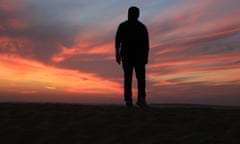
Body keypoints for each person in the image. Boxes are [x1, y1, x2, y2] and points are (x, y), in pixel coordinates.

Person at [115, 6, 149, 107]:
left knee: (140, 78)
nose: (134, 15)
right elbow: (117, 41)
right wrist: (117, 53)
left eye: (136, 13)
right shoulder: (123, 26)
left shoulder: (141, 27)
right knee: (129, 78)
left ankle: (140, 99)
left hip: (138, 57)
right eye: (133, 13)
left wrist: (145, 56)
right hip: (127, 56)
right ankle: (129, 100)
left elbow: (146, 44)